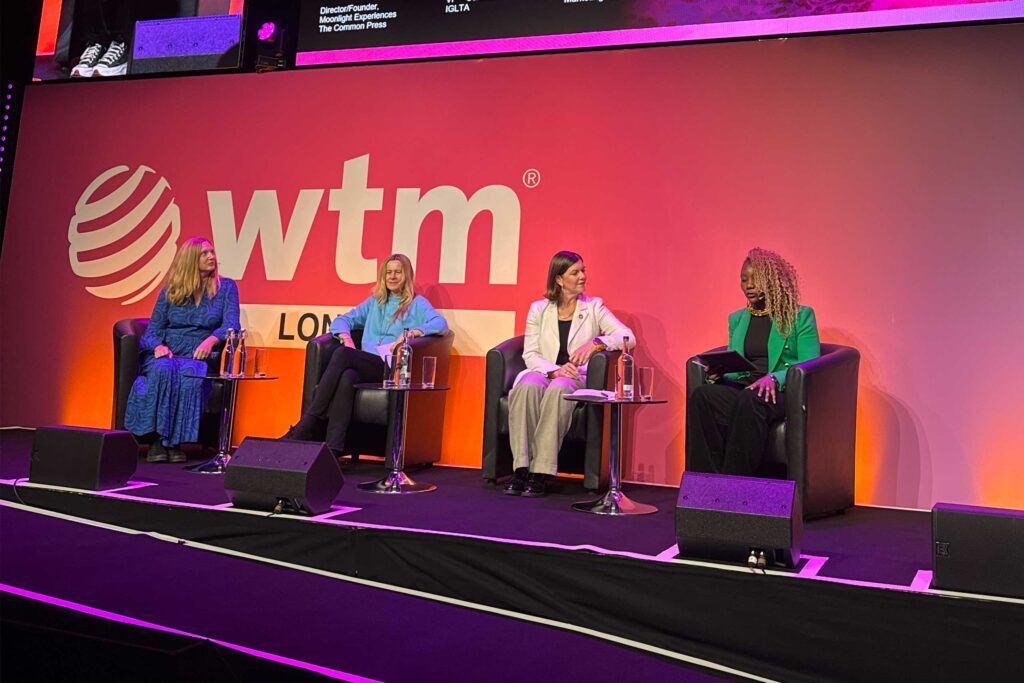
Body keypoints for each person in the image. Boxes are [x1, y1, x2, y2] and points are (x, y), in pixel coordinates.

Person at [282, 254, 448, 455]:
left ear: (406, 276)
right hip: (366, 364)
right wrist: (347, 338)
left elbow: (441, 324)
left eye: (398, 272)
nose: (393, 277)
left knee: (344, 356)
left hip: (389, 366)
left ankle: (307, 422)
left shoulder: (417, 303)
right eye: (389, 272)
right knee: (347, 377)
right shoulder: (375, 302)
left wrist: (412, 333)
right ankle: (333, 448)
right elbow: (343, 320)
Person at [505, 251, 635, 497]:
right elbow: (530, 354)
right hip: (544, 371)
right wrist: (554, 370)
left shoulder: (594, 306)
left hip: (575, 377)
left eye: (583, 270)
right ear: (559, 279)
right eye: (575, 272)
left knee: (559, 389)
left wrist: (597, 342)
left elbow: (628, 337)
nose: (583, 276)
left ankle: (541, 471)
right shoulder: (538, 309)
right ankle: (520, 468)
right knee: (527, 386)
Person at [686, 247, 820, 476]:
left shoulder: (800, 316)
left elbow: (810, 363)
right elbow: (737, 364)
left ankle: (733, 484)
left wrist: (774, 379)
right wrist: (718, 374)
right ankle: (704, 486)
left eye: (755, 279)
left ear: (772, 281)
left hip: (779, 392)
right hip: (745, 386)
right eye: (743, 280)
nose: (748, 285)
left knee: (751, 399)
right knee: (703, 396)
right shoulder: (737, 319)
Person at [124, 237, 240, 463]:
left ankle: (174, 442)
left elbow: (231, 324)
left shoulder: (226, 288)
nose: (212, 258)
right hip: (169, 352)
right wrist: (157, 346)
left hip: (200, 354)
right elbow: (152, 332)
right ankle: (157, 440)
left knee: (191, 373)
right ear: (190, 260)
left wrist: (211, 340)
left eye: (212, 253)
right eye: (204, 254)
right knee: (163, 370)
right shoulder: (170, 291)